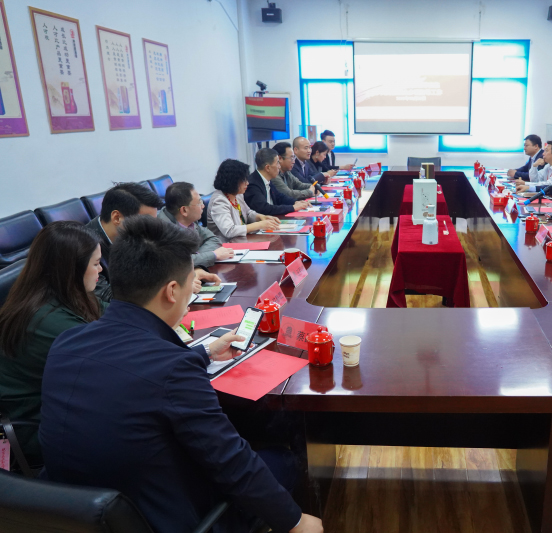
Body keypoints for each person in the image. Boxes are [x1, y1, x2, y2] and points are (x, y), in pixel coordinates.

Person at [39, 216, 322, 533]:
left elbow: (136, 374)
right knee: (283, 460)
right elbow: (231, 461)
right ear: (172, 291)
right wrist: (295, 521)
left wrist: (204, 353)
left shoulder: (66, 343)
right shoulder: (174, 369)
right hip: (163, 518)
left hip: (75, 515)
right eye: (191, 283)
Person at [0, 222, 105, 465]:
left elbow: (116, 314)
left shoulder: (66, 294)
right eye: (96, 263)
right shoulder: (48, 323)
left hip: (65, 405)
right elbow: (110, 367)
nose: (101, 269)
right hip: (37, 427)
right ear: (72, 269)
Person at [85, 182, 164, 302]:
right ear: (117, 218)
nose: (150, 228)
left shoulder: (132, 235)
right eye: (146, 222)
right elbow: (107, 298)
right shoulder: (84, 248)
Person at [158, 181, 235, 266]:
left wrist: (198, 257)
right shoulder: (162, 231)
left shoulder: (190, 220)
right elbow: (180, 263)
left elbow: (213, 239)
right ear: (184, 210)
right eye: (199, 203)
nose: (203, 206)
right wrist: (213, 255)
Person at [208, 159, 282, 242]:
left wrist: (261, 217)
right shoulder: (219, 201)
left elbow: (247, 213)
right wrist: (259, 225)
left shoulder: (237, 194)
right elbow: (229, 231)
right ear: (233, 180)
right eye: (244, 180)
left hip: (241, 241)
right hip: (224, 245)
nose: (247, 183)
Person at [245, 148, 309, 216]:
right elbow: (265, 208)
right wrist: (293, 207)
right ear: (268, 168)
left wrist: (296, 202)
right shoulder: (253, 184)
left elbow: (280, 197)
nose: (279, 166)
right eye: (277, 163)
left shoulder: (267, 179)